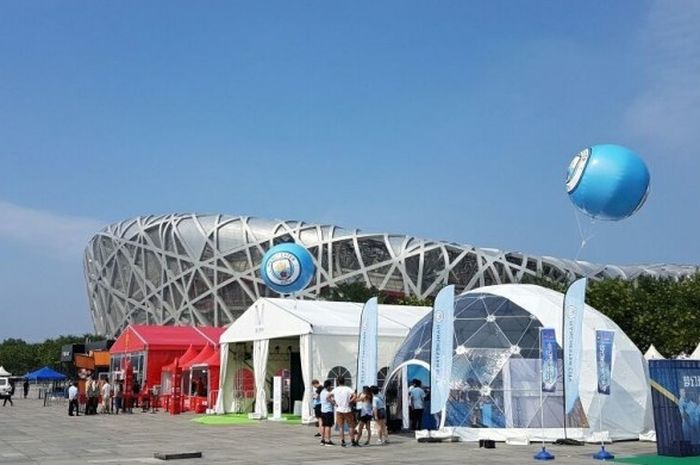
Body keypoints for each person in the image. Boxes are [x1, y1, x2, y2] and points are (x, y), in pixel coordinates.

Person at [332, 376, 358, 447]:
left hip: (339, 410)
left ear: (338, 382)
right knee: (351, 426)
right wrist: (350, 401)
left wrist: (334, 402)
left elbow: (328, 396)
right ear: (344, 381)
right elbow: (355, 395)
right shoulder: (348, 389)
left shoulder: (335, 389)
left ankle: (342, 441)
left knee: (341, 427)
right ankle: (352, 440)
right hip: (347, 409)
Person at [319, 380, 335, 446]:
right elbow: (328, 399)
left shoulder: (322, 392)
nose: (331, 387)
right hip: (328, 411)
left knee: (323, 425)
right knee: (328, 426)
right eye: (330, 386)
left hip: (323, 410)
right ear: (328, 386)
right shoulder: (327, 393)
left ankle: (322, 440)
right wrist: (333, 402)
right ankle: (328, 440)